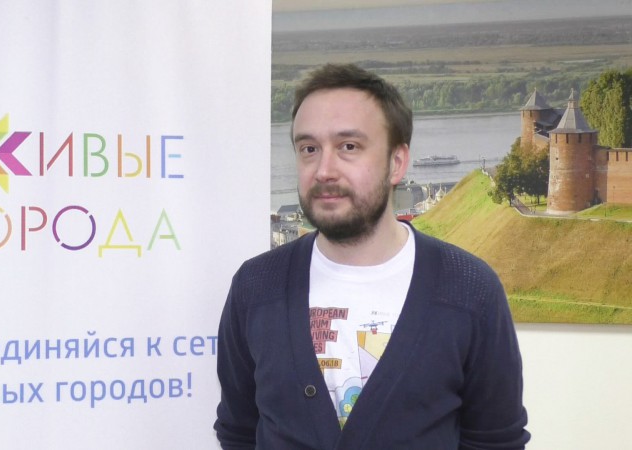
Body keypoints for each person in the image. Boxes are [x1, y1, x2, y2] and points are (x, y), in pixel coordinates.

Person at [214, 63, 530, 449]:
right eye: (309, 149)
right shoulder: (256, 287)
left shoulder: (469, 289)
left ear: (397, 163)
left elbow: (496, 441)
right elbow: (239, 432)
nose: (324, 170)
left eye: (349, 147)